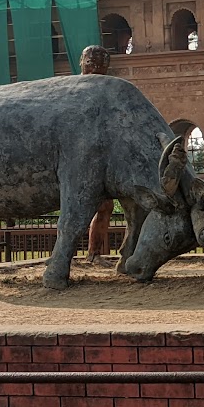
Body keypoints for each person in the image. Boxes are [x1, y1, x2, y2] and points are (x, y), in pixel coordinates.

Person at [79, 45, 115, 261]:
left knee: (104, 206)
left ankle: (93, 253)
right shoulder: (72, 90)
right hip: (78, 155)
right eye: (91, 62)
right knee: (72, 208)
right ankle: (63, 254)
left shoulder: (108, 90)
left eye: (101, 64)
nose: (95, 67)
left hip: (98, 156)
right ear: (82, 63)